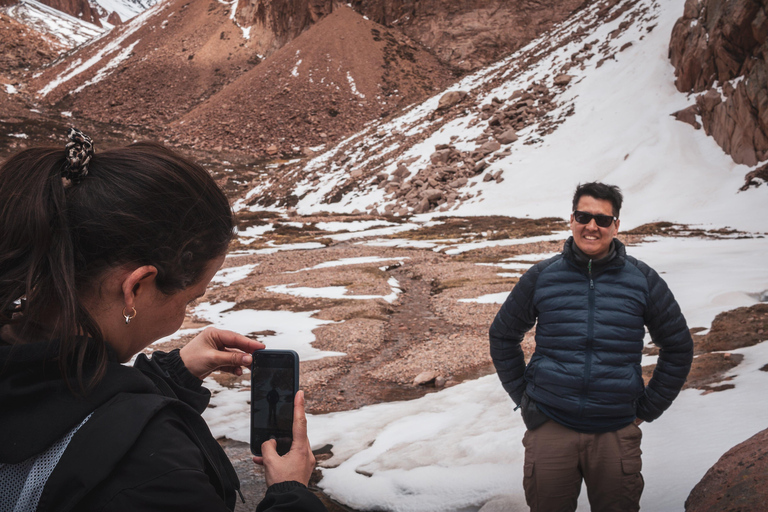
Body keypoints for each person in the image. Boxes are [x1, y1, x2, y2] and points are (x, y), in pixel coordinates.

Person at [0, 129, 327, 512]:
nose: (184, 314)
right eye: (191, 297)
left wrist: (173, 376)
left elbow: (57, 404)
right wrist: (290, 492)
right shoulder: (152, 465)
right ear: (135, 288)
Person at [489, 182, 693, 512]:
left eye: (602, 219)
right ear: (572, 219)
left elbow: (679, 346)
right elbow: (502, 335)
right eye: (584, 216)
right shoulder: (543, 276)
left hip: (615, 433)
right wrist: (525, 398)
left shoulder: (642, 279)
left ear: (616, 225)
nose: (592, 226)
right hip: (551, 428)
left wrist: (647, 408)